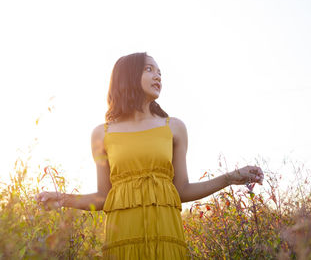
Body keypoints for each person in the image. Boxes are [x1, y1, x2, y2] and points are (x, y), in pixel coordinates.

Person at [35, 52, 264, 259]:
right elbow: (104, 197)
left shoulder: (174, 128)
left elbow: (181, 190)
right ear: (127, 76)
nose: (158, 76)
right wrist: (63, 199)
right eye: (149, 69)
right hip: (122, 240)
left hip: (166, 237)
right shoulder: (101, 134)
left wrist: (230, 178)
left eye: (160, 72)